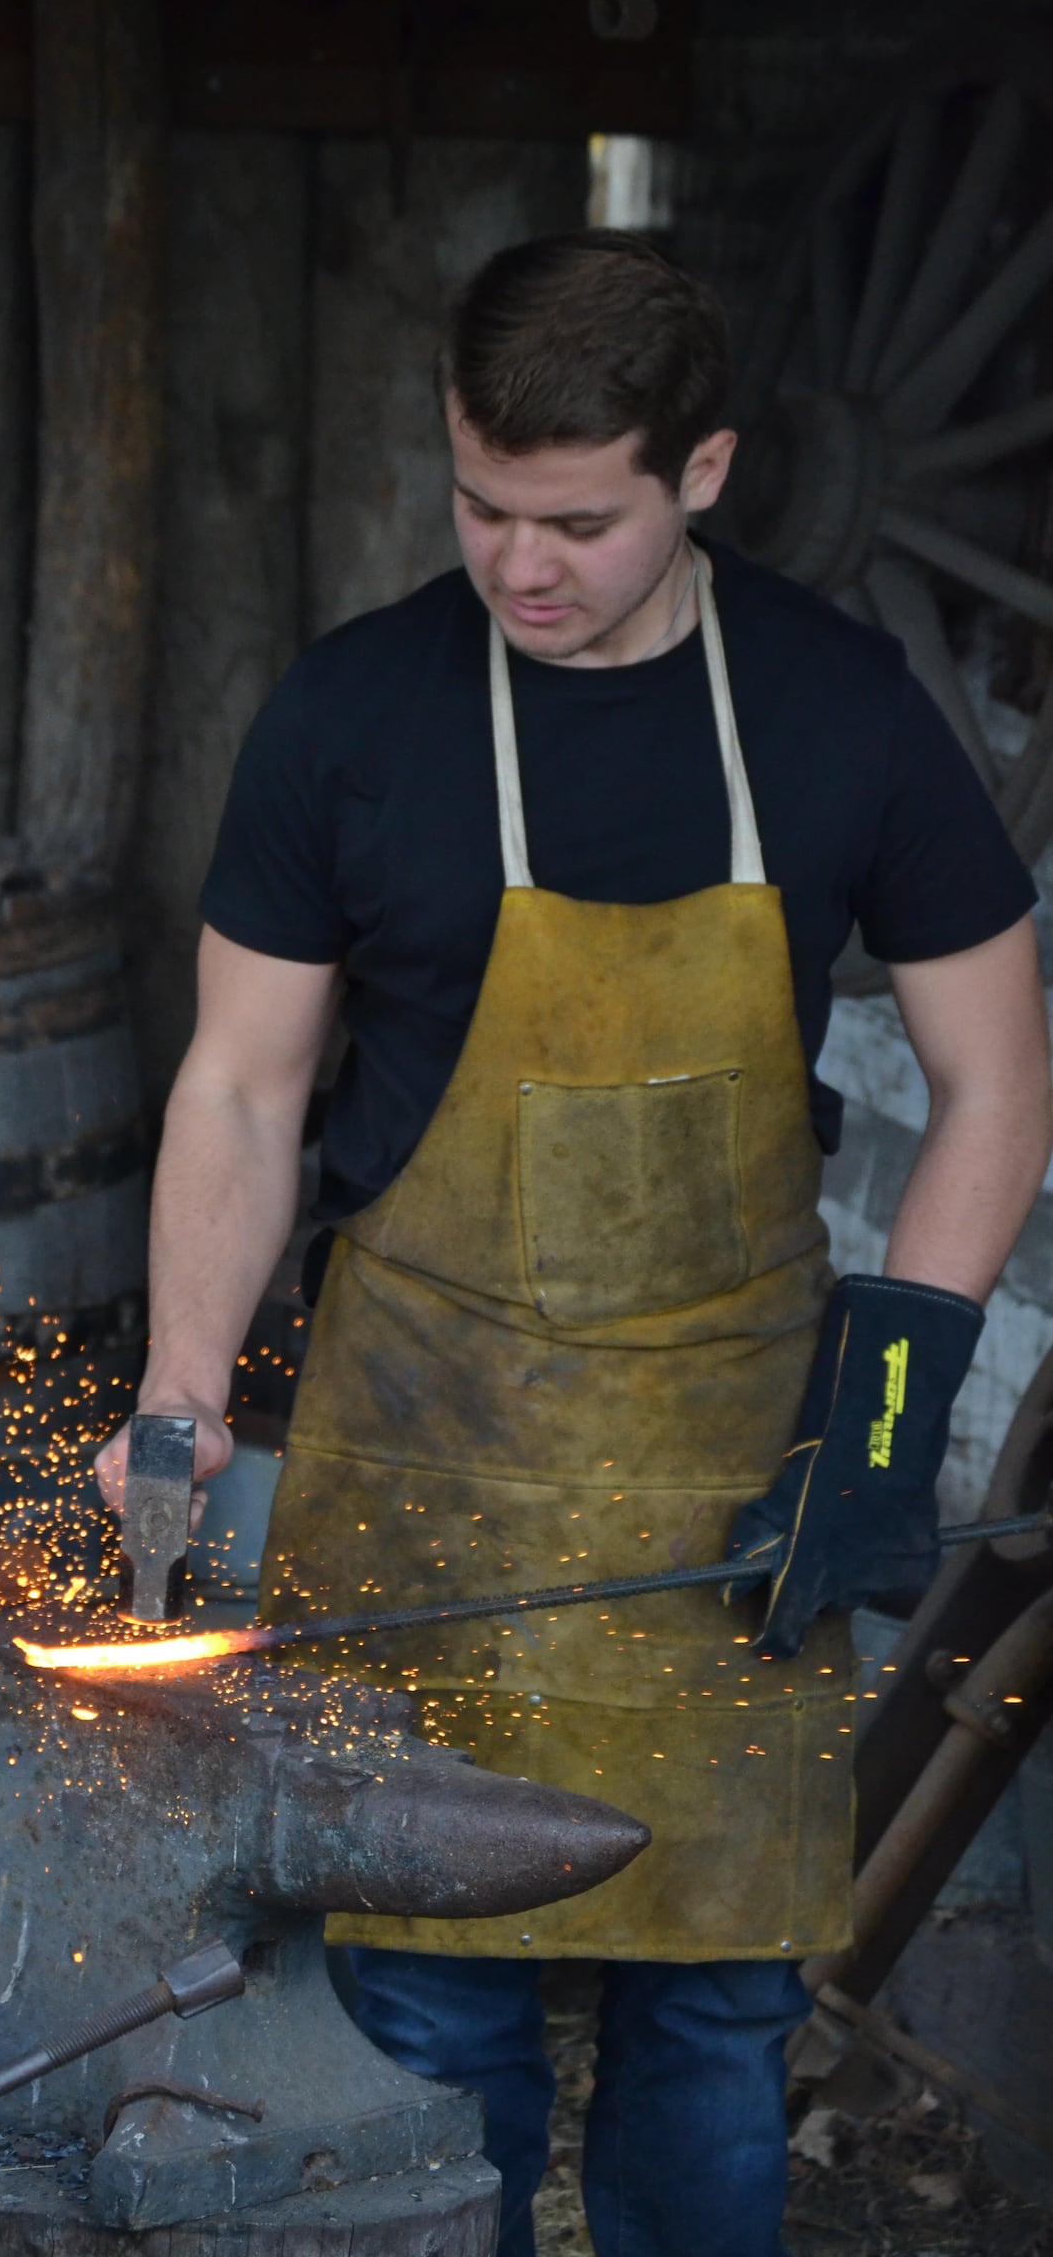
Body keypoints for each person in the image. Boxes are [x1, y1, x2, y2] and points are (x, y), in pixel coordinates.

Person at [95, 230, 1053, 2257]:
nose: (515, 564)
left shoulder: (832, 709)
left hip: (721, 1477)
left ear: (698, 473)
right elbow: (242, 1091)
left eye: (572, 521)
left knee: (705, 2024)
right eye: (476, 506)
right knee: (424, 2011)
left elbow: (994, 1078)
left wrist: (881, 1419)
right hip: (424, 1459)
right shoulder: (351, 716)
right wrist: (179, 1389)